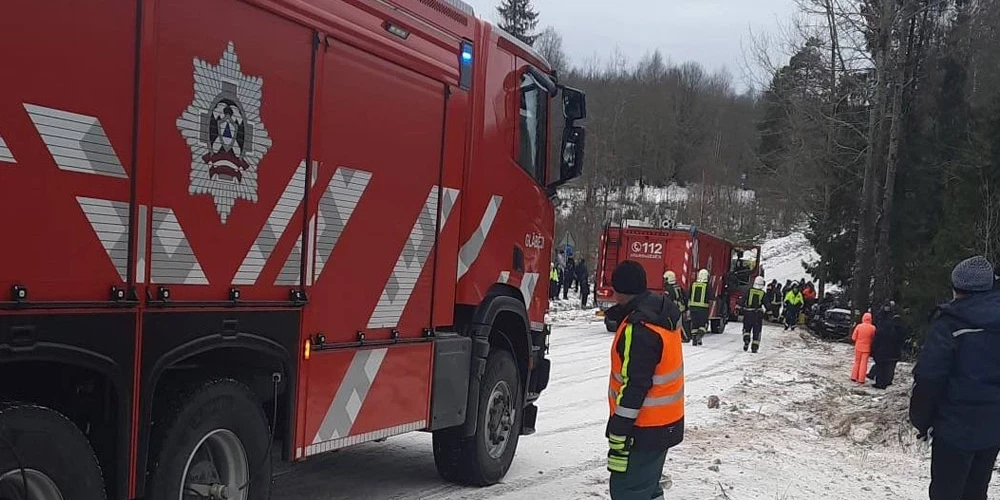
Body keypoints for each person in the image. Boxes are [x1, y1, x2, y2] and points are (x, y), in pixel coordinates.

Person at [910, 256, 1000, 500]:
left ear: (956, 288)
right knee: (976, 491)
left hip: (955, 427)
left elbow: (929, 377)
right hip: (992, 427)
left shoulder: (951, 323)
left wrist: (921, 419)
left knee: (946, 493)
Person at [603, 261, 684, 500]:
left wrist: (619, 429)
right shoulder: (660, 313)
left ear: (617, 291)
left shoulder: (639, 329)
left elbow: (635, 386)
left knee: (628, 491)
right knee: (647, 488)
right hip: (663, 424)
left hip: (643, 429)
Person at [871, 311, 907, 389]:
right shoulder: (902, 330)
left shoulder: (885, 328)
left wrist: (873, 350)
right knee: (890, 367)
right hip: (895, 352)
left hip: (882, 351)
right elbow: (902, 341)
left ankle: (880, 383)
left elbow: (877, 339)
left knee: (881, 367)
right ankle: (888, 381)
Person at [688, 269, 714, 346]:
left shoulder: (693, 284)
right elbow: (710, 297)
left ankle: (694, 339)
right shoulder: (707, 286)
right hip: (703, 309)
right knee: (703, 324)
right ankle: (699, 336)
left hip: (693, 308)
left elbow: (689, 295)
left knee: (694, 324)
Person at [663, 270, 690, 343]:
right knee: (681, 323)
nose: (664, 281)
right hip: (681, 307)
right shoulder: (678, 286)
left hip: (676, 308)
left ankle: (686, 337)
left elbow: (667, 300)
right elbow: (685, 296)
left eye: (665, 279)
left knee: (680, 324)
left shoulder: (669, 289)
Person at [742, 276, 767, 353]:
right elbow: (767, 304)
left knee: (746, 328)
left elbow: (742, 300)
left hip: (748, 313)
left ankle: (746, 340)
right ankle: (754, 347)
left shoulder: (749, 291)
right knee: (757, 331)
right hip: (758, 314)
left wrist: (740, 306)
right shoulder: (763, 293)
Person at [850, 312, 876, 385]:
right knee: (864, 363)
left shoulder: (859, 326)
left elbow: (853, 337)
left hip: (858, 347)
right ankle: (861, 379)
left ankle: (854, 376)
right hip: (867, 348)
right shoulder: (873, 328)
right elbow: (873, 338)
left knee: (857, 362)